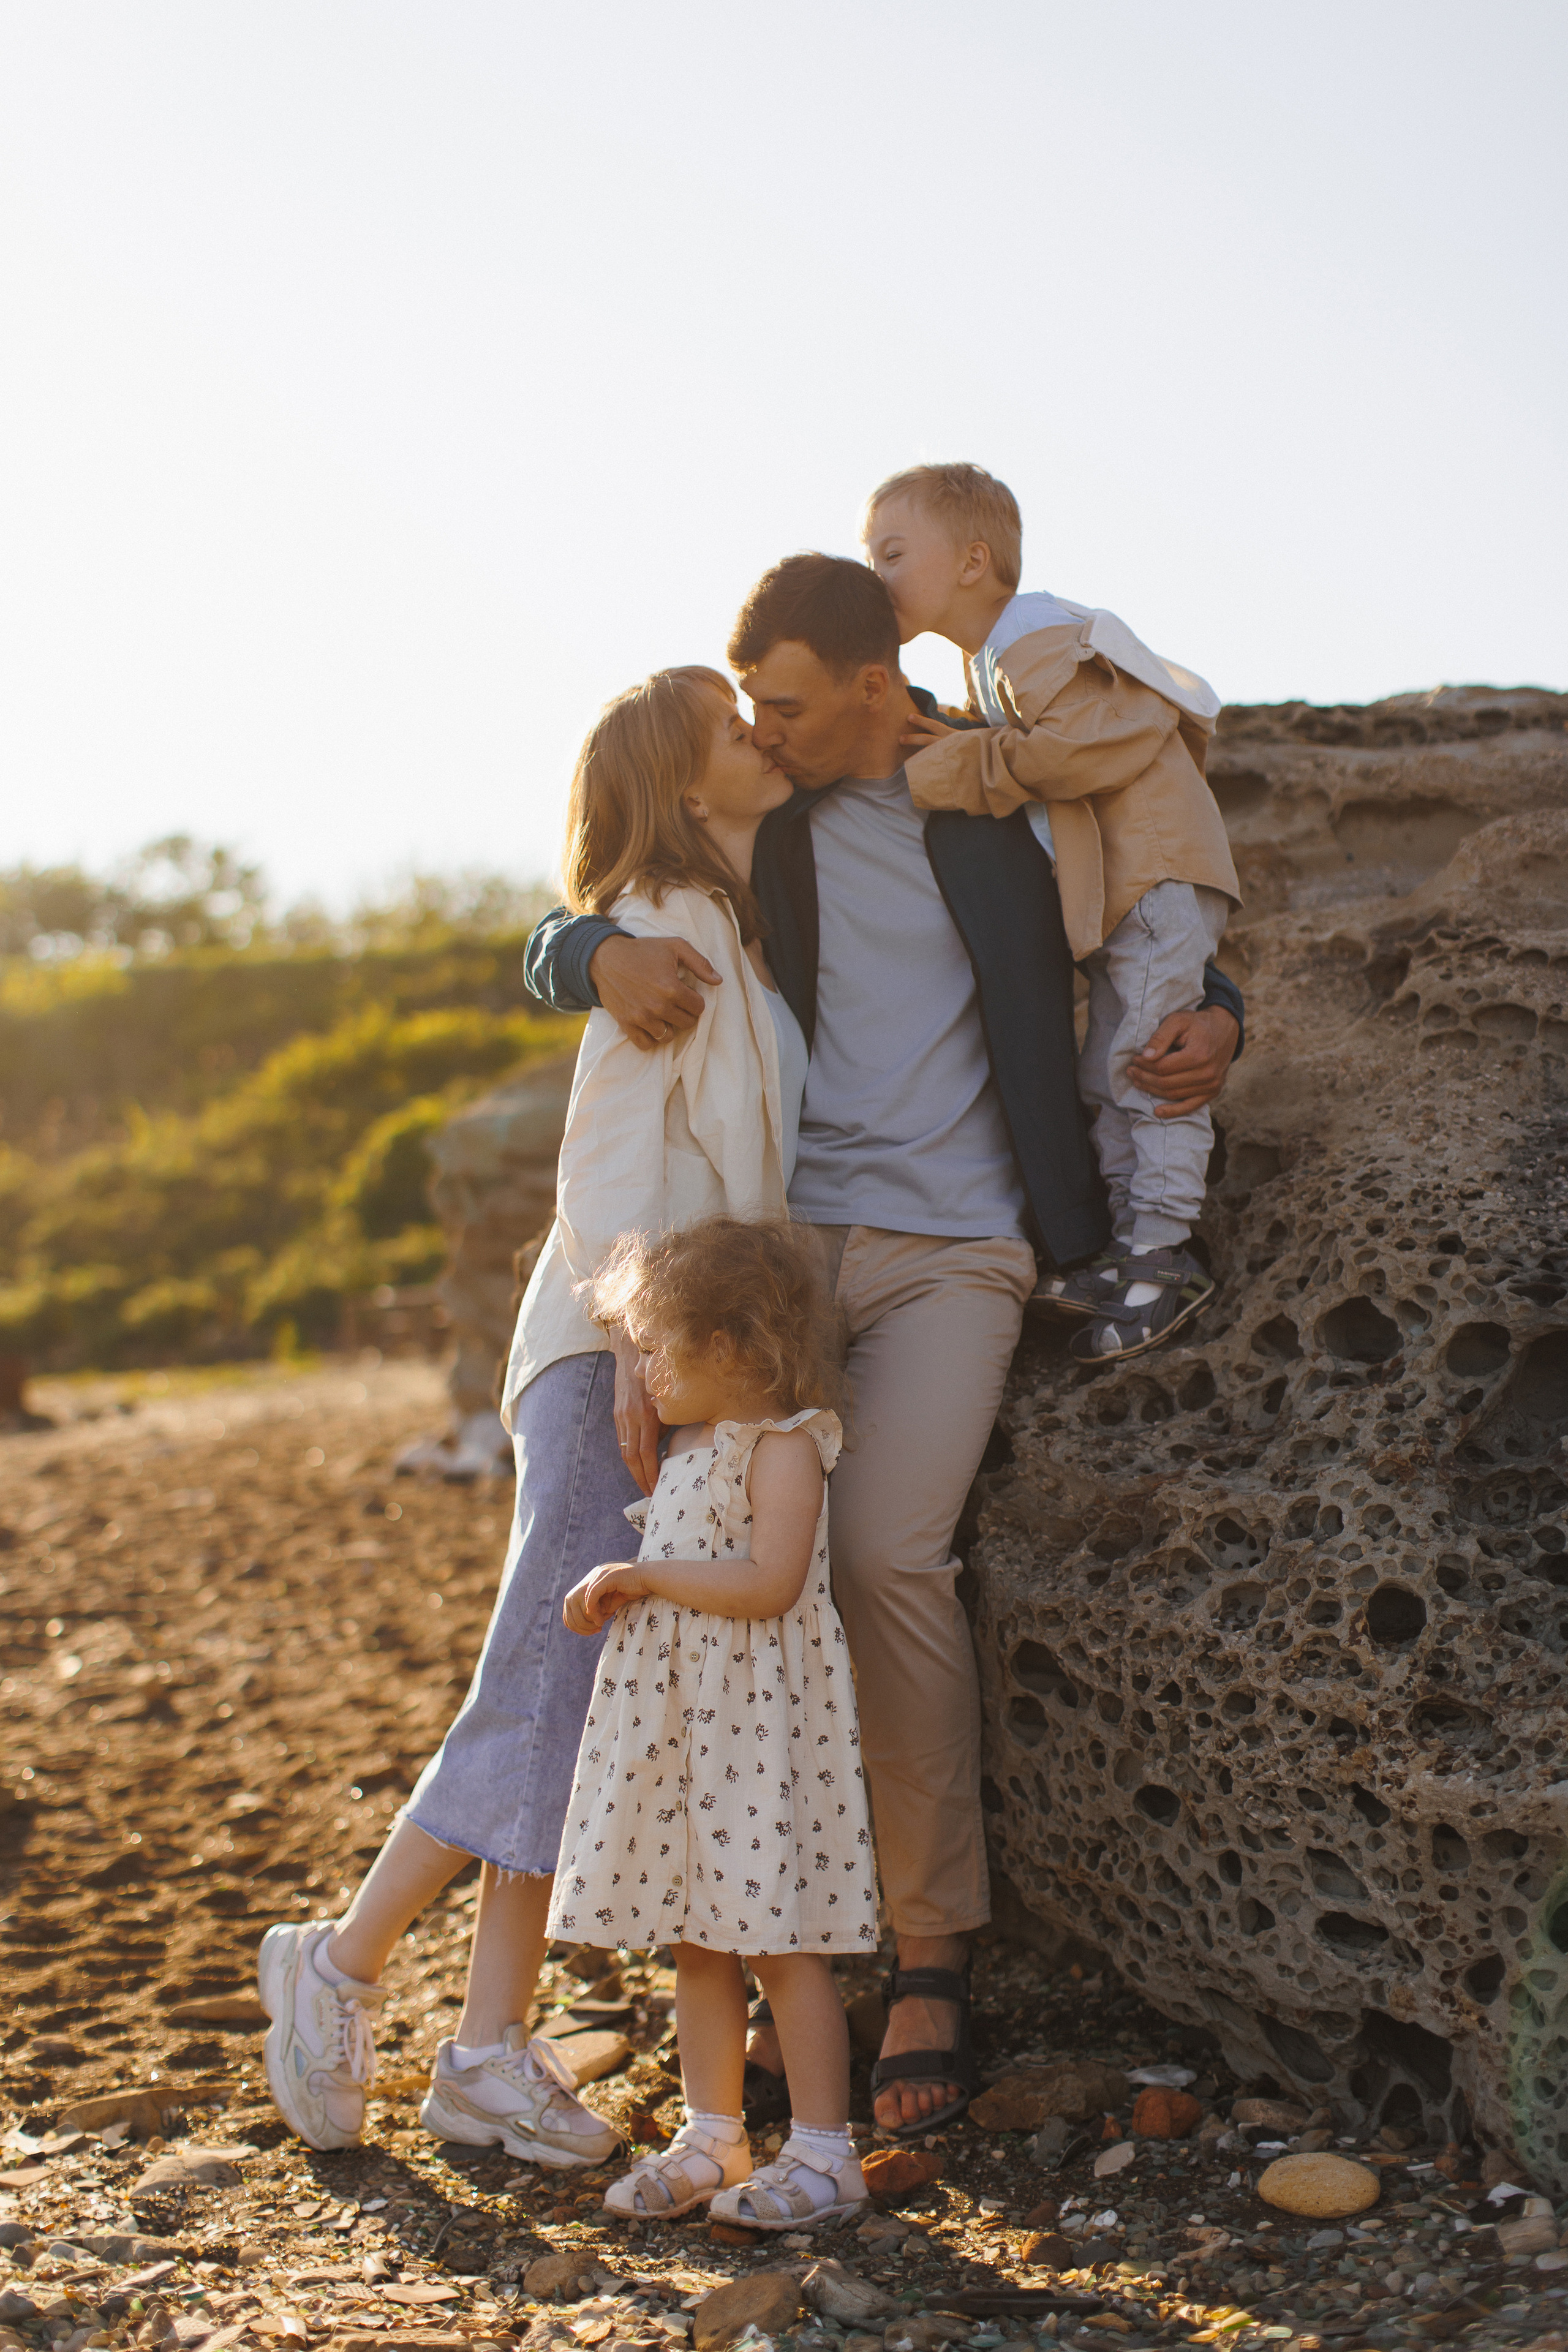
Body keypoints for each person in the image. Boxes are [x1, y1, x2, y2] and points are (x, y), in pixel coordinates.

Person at [524, 555, 1245, 2138]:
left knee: (883, 1562)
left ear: (871, 677)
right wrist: (582, 958)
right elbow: (589, 885)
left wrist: (1227, 1010)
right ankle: (775, 1949)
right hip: (777, 1259)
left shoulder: (1008, 800)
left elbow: (1158, 906)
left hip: (959, 1248)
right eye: (749, 708)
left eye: (784, 700)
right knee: (721, 1572)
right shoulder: (764, 822)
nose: (763, 729)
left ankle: (929, 1952)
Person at [257, 665, 805, 2160]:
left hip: (666, 1355)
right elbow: (608, 1162)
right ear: (688, 789)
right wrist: (640, 1342)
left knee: (572, 1698)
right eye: (731, 725)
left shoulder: (713, 932)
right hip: (613, 1354)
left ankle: (486, 2049)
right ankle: (344, 1959)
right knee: (538, 1684)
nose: (763, 732)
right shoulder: (672, 930)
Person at [862, 461, 1242, 1364]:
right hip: (1124, 890)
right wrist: (973, 737)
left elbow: (1099, 740)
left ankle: (1164, 1258)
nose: (874, 579)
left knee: (1146, 1071)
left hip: (1149, 880)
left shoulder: (1032, 631)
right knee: (1109, 1073)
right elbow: (1044, 749)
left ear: (971, 560)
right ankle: (1126, 1251)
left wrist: (955, 765)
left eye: (891, 554)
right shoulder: (995, 660)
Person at [552, 1216, 873, 2228]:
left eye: (653, 1347)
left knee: (778, 1940)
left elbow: (771, 1582)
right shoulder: (688, 1448)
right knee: (700, 1938)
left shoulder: (782, 1449)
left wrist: (644, 1576)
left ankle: (827, 2155)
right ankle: (714, 2137)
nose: (640, 1370)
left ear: (727, 1348)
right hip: (690, 1733)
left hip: (754, 1740)